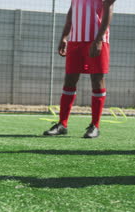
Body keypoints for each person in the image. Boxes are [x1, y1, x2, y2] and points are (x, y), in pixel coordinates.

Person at [43, 0, 116, 138]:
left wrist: (99, 39)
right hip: (75, 40)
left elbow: (109, 9)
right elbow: (72, 10)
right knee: (69, 79)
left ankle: (95, 126)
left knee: (97, 79)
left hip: (96, 40)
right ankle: (62, 124)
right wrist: (65, 36)